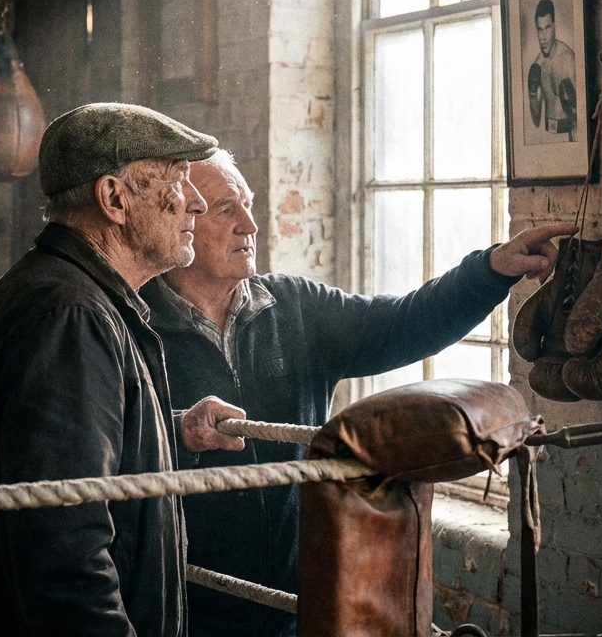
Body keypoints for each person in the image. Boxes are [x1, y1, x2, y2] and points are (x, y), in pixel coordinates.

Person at [141, 150, 577, 636]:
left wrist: (493, 269)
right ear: (180, 218)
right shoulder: (131, 324)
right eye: (226, 209)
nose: (250, 224)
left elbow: (404, 322)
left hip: (300, 599)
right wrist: (179, 428)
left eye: (249, 204)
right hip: (183, 605)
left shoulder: (294, 306)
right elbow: (105, 441)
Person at [0, 103, 245, 636]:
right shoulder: (71, 315)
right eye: (177, 179)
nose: (195, 202)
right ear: (114, 199)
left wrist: (170, 433)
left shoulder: (65, 294)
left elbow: (58, 460)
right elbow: (64, 549)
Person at [527, 0, 579, 140]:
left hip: (569, 136)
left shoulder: (568, 58)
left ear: (554, 26)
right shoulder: (538, 65)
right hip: (548, 137)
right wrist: (532, 95)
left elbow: (581, 113)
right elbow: (536, 119)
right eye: (540, 30)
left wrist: (575, 143)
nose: (543, 37)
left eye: (547, 28)